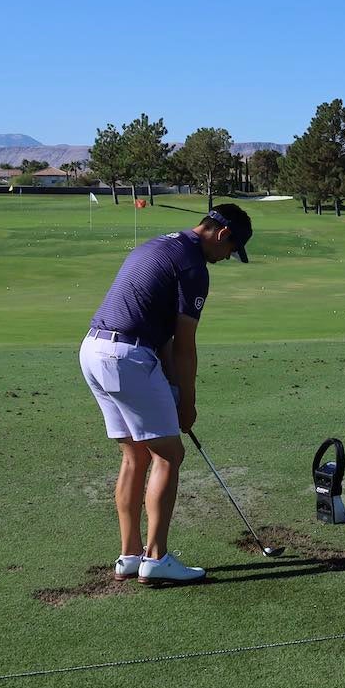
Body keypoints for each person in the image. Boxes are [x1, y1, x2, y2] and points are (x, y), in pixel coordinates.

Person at [79, 205, 252, 584]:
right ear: (223, 235)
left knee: (135, 454)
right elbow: (186, 344)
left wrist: (173, 390)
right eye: (231, 251)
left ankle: (129, 555)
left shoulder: (158, 244)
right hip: (127, 356)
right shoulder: (193, 266)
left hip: (94, 350)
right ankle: (156, 559)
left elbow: (166, 339)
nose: (225, 259)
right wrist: (186, 402)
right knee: (170, 454)